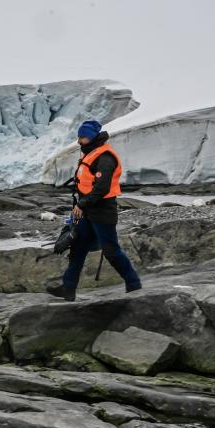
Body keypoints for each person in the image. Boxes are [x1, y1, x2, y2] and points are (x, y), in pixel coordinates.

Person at [46, 120, 142, 301]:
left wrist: (81, 205)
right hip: (87, 210)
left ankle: (134, 284)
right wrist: (81, 205)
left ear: (91, 137)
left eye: (82, 137)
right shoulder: (90, 153)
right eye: (79, 137)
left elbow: (102, 189)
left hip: (103, 211)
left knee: (111, 250)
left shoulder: (105, 158)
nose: (79, 141)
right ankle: (68, 288)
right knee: (77, 246)